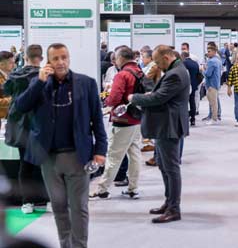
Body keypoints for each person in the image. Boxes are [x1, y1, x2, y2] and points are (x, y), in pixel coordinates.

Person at [15, 43, 107, 248]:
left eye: (64, 57)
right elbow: (21, 106)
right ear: (48, 61)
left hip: (78, 155)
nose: (60, 62)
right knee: (58, 207)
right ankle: (66, 245)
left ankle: (79, 245)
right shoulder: (38, 83)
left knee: (79, 207)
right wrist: (38, 83)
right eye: (55, 58)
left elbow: (97, 120)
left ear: (69, 58)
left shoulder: (87, 83)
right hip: (49, 158)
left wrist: (100, 150)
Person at [128, 45, 190, 224]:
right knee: (164, 166)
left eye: (157, 60)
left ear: (166, 57)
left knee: (171, 168)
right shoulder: (175, 70)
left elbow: (158, 98)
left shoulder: (175, 74)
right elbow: (162, 95)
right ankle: (169, 202)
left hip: (169, 126)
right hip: (166, 125)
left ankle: (174, 209)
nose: (156, 64)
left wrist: (135, 98)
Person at [90, 46, 144, 201]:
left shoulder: (122, 75)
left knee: (113, 156)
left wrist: (106, 100)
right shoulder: (139, 71)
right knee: (135, 155)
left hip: (123, 120)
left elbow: (113, 99)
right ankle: (133, 189)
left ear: (121, 58)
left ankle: (102, 190)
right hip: (136, 119)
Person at [4, 45, 43, 214]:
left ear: (25, 57)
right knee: (44, 165)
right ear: (41, 58)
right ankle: (46, 200)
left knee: (24, 164)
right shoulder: (46, 76)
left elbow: (7, 92)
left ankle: (27, 202)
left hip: (21, 126)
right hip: (41, 126)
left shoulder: (14, 76)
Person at [204, 45, 221, 125]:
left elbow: (208, 74)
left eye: (209, 51)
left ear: (214, 52)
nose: (208, 53)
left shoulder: (211, 61)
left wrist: (203, 69)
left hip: (211, 85)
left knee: (213, 103)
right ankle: (214, 117)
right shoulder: (218, 60)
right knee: (214, 102)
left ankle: (214, 119)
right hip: (216, 83)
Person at [182, 52, 200, 126]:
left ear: (183, 56)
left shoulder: (184, 63)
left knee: (185, 103)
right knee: (192, 102)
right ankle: (193, 119)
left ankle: (185, 118)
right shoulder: (195, 63)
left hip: (186, 86)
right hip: (194, 85)